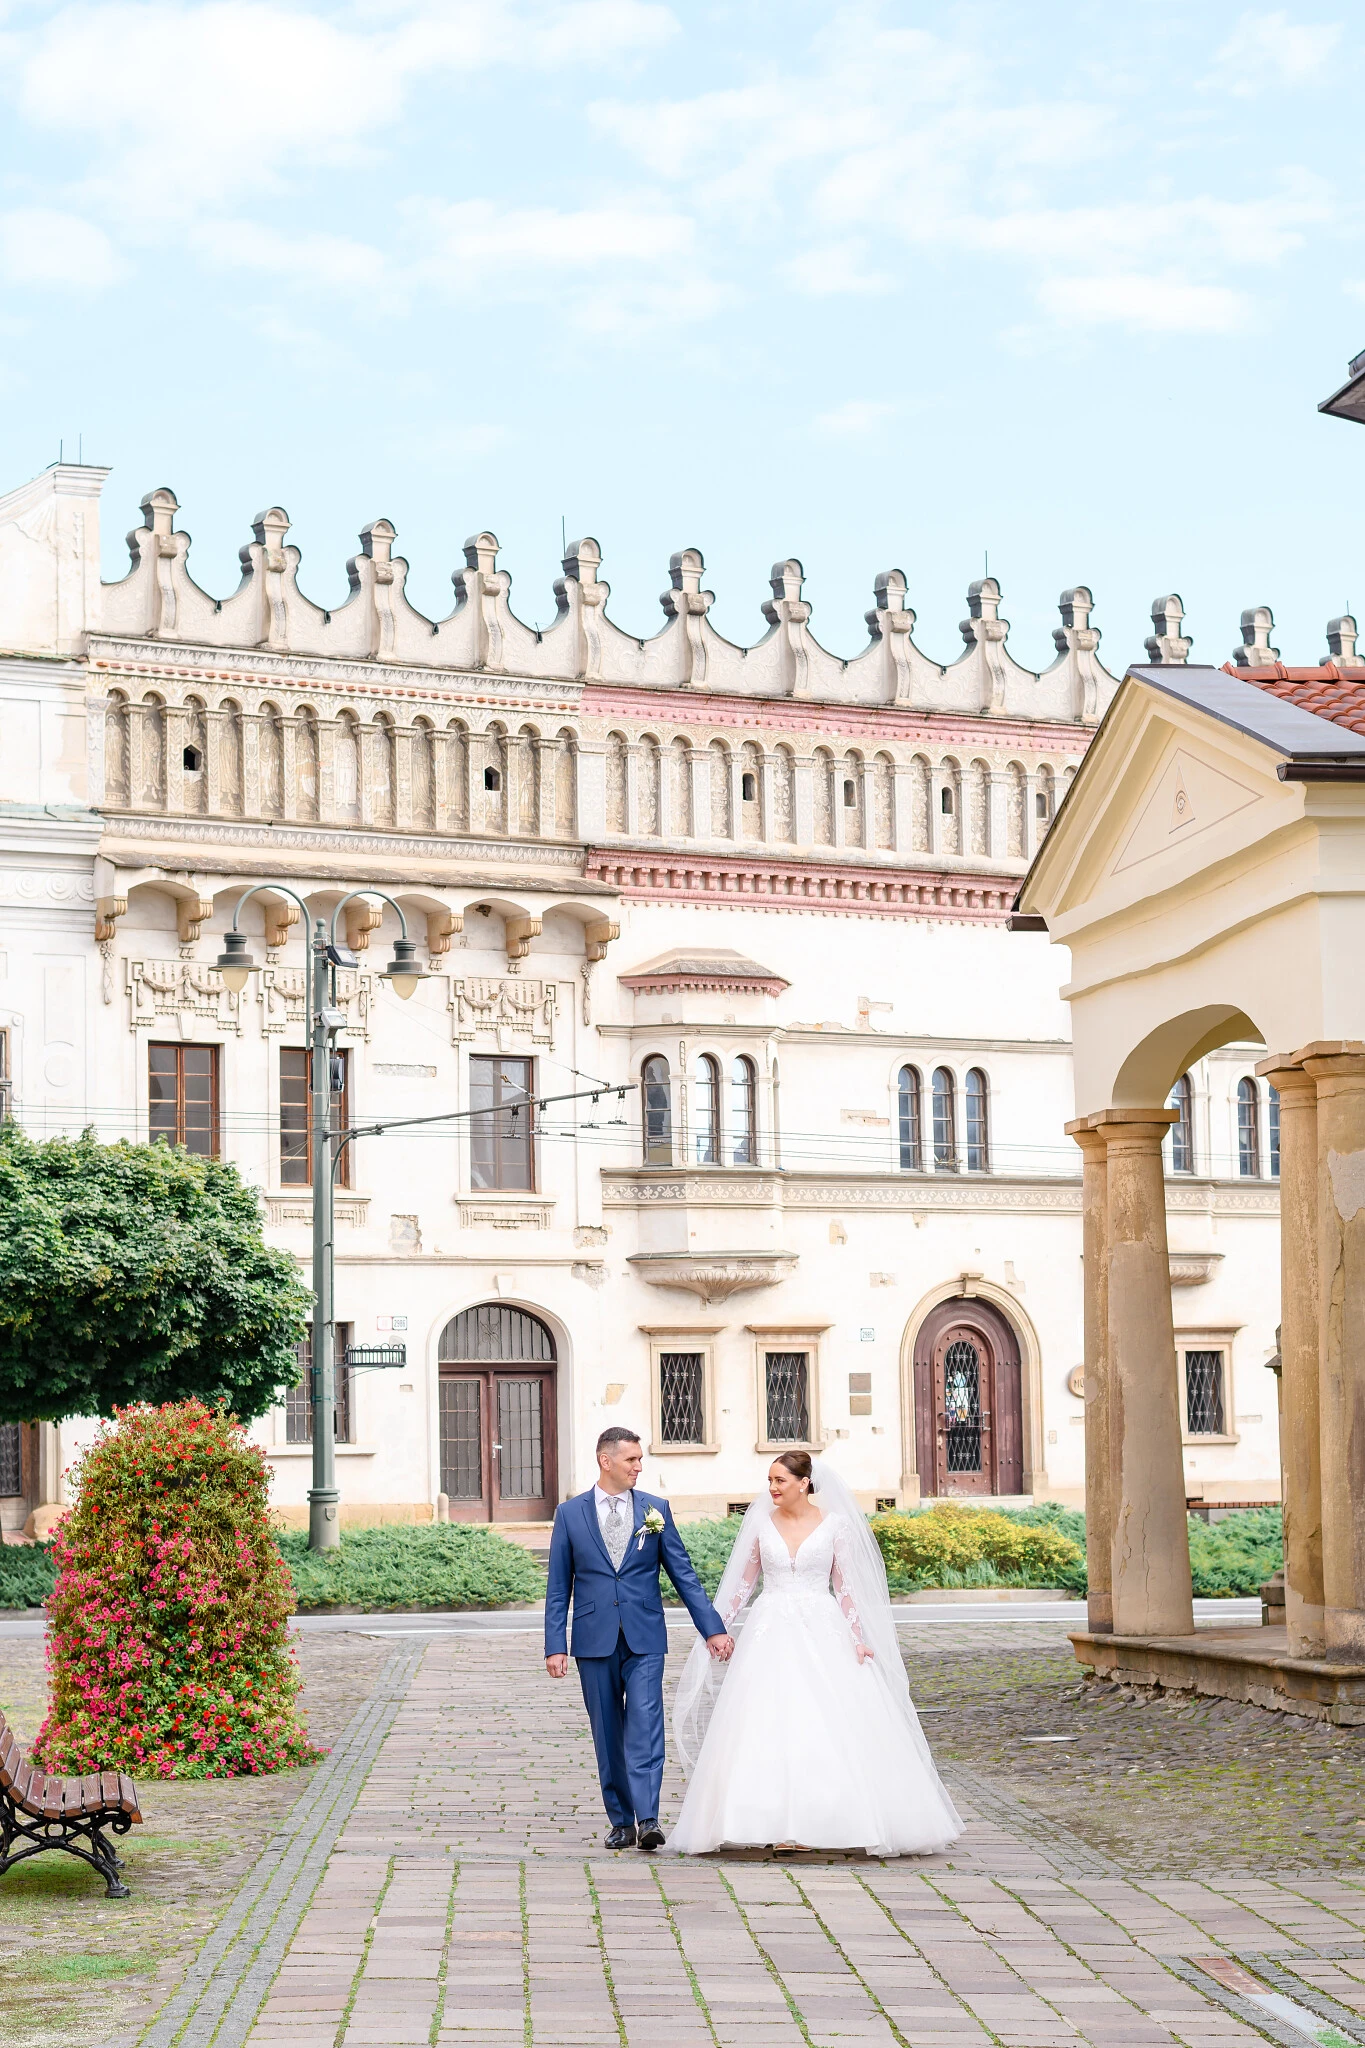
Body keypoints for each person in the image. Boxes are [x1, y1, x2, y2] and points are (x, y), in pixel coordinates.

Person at [668, 1450, 963, 1856]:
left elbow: (845, 1588)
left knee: (824, 1720)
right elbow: (742, 1585)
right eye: (769, 1480)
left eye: (780, 1481)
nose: (771, 1488)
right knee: (764, 1722)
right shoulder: (760, 1524)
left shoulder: (835, 1526)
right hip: (769, 1629)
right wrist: (717, 1629)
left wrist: (859, 1637)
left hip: (822, 1628)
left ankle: (823, 1820)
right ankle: (769, 1822)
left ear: (803, 1483)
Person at [545, 1426, 734, 1850]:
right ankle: (621, 1822)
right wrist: (555, 1644)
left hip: (646, 1636)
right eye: (631, 1459)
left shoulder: (655, 1509)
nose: (639, 1466)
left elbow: (683, 1574)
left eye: (640, 1458)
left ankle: (648, 1818)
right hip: (593, 1639)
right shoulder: (570, 1513)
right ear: (605, 1461)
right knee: (607, 1732)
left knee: (647, 1725)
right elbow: (559, 1587)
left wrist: (713, 1628)